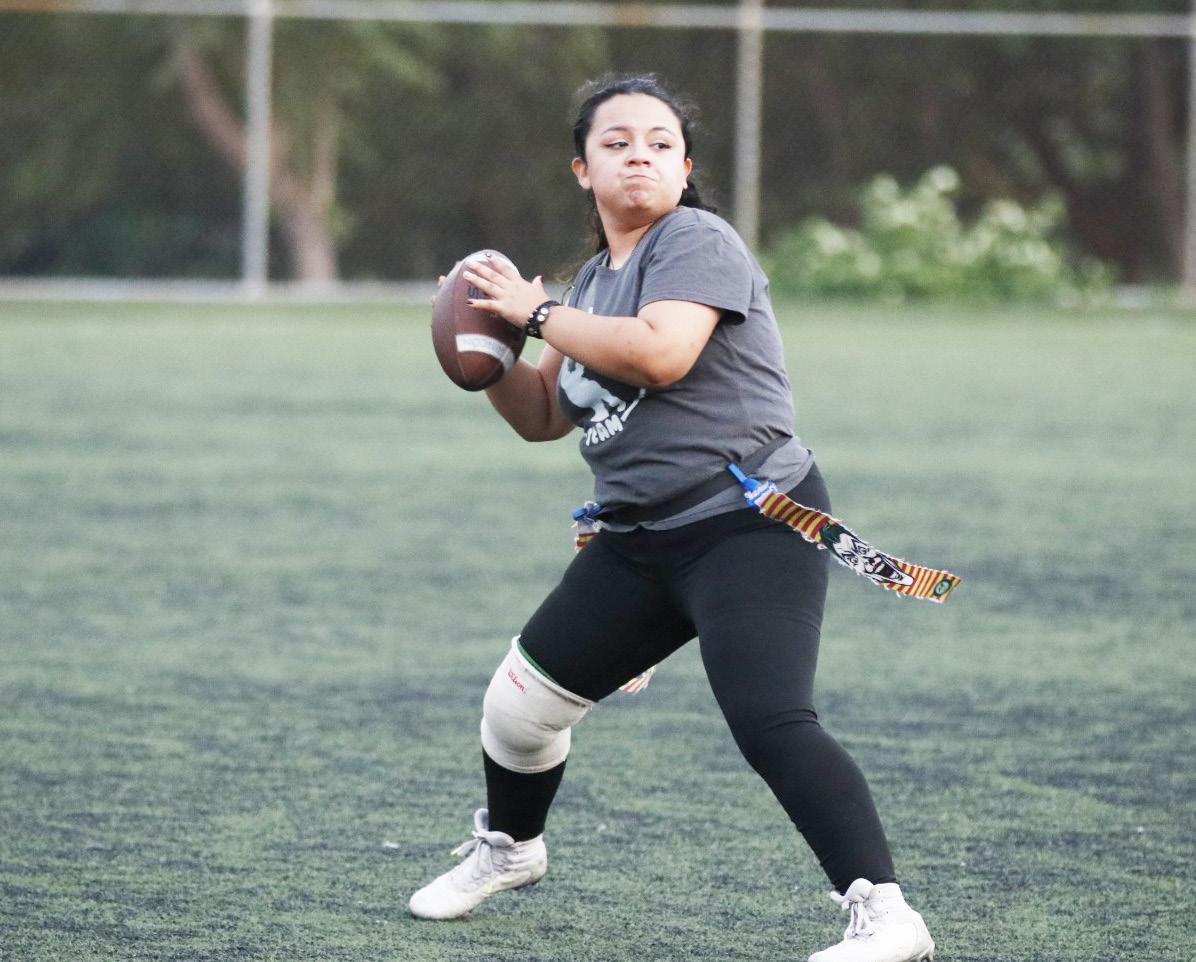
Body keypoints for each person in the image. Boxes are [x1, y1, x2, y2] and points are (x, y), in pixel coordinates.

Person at [408, 74, 937, 962]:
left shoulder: (696, 239)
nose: (640, 157)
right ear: (582, 169)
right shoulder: (590, 282)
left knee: (770, 718)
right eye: (616, 143)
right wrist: (489, 349)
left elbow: (661, 354)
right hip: (640, 540)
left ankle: (888, 916)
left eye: (660, 144)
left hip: (748, 524)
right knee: (518, 712)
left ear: (685, 168)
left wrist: (537, 312)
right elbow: (543, 415)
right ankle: (512, 848)